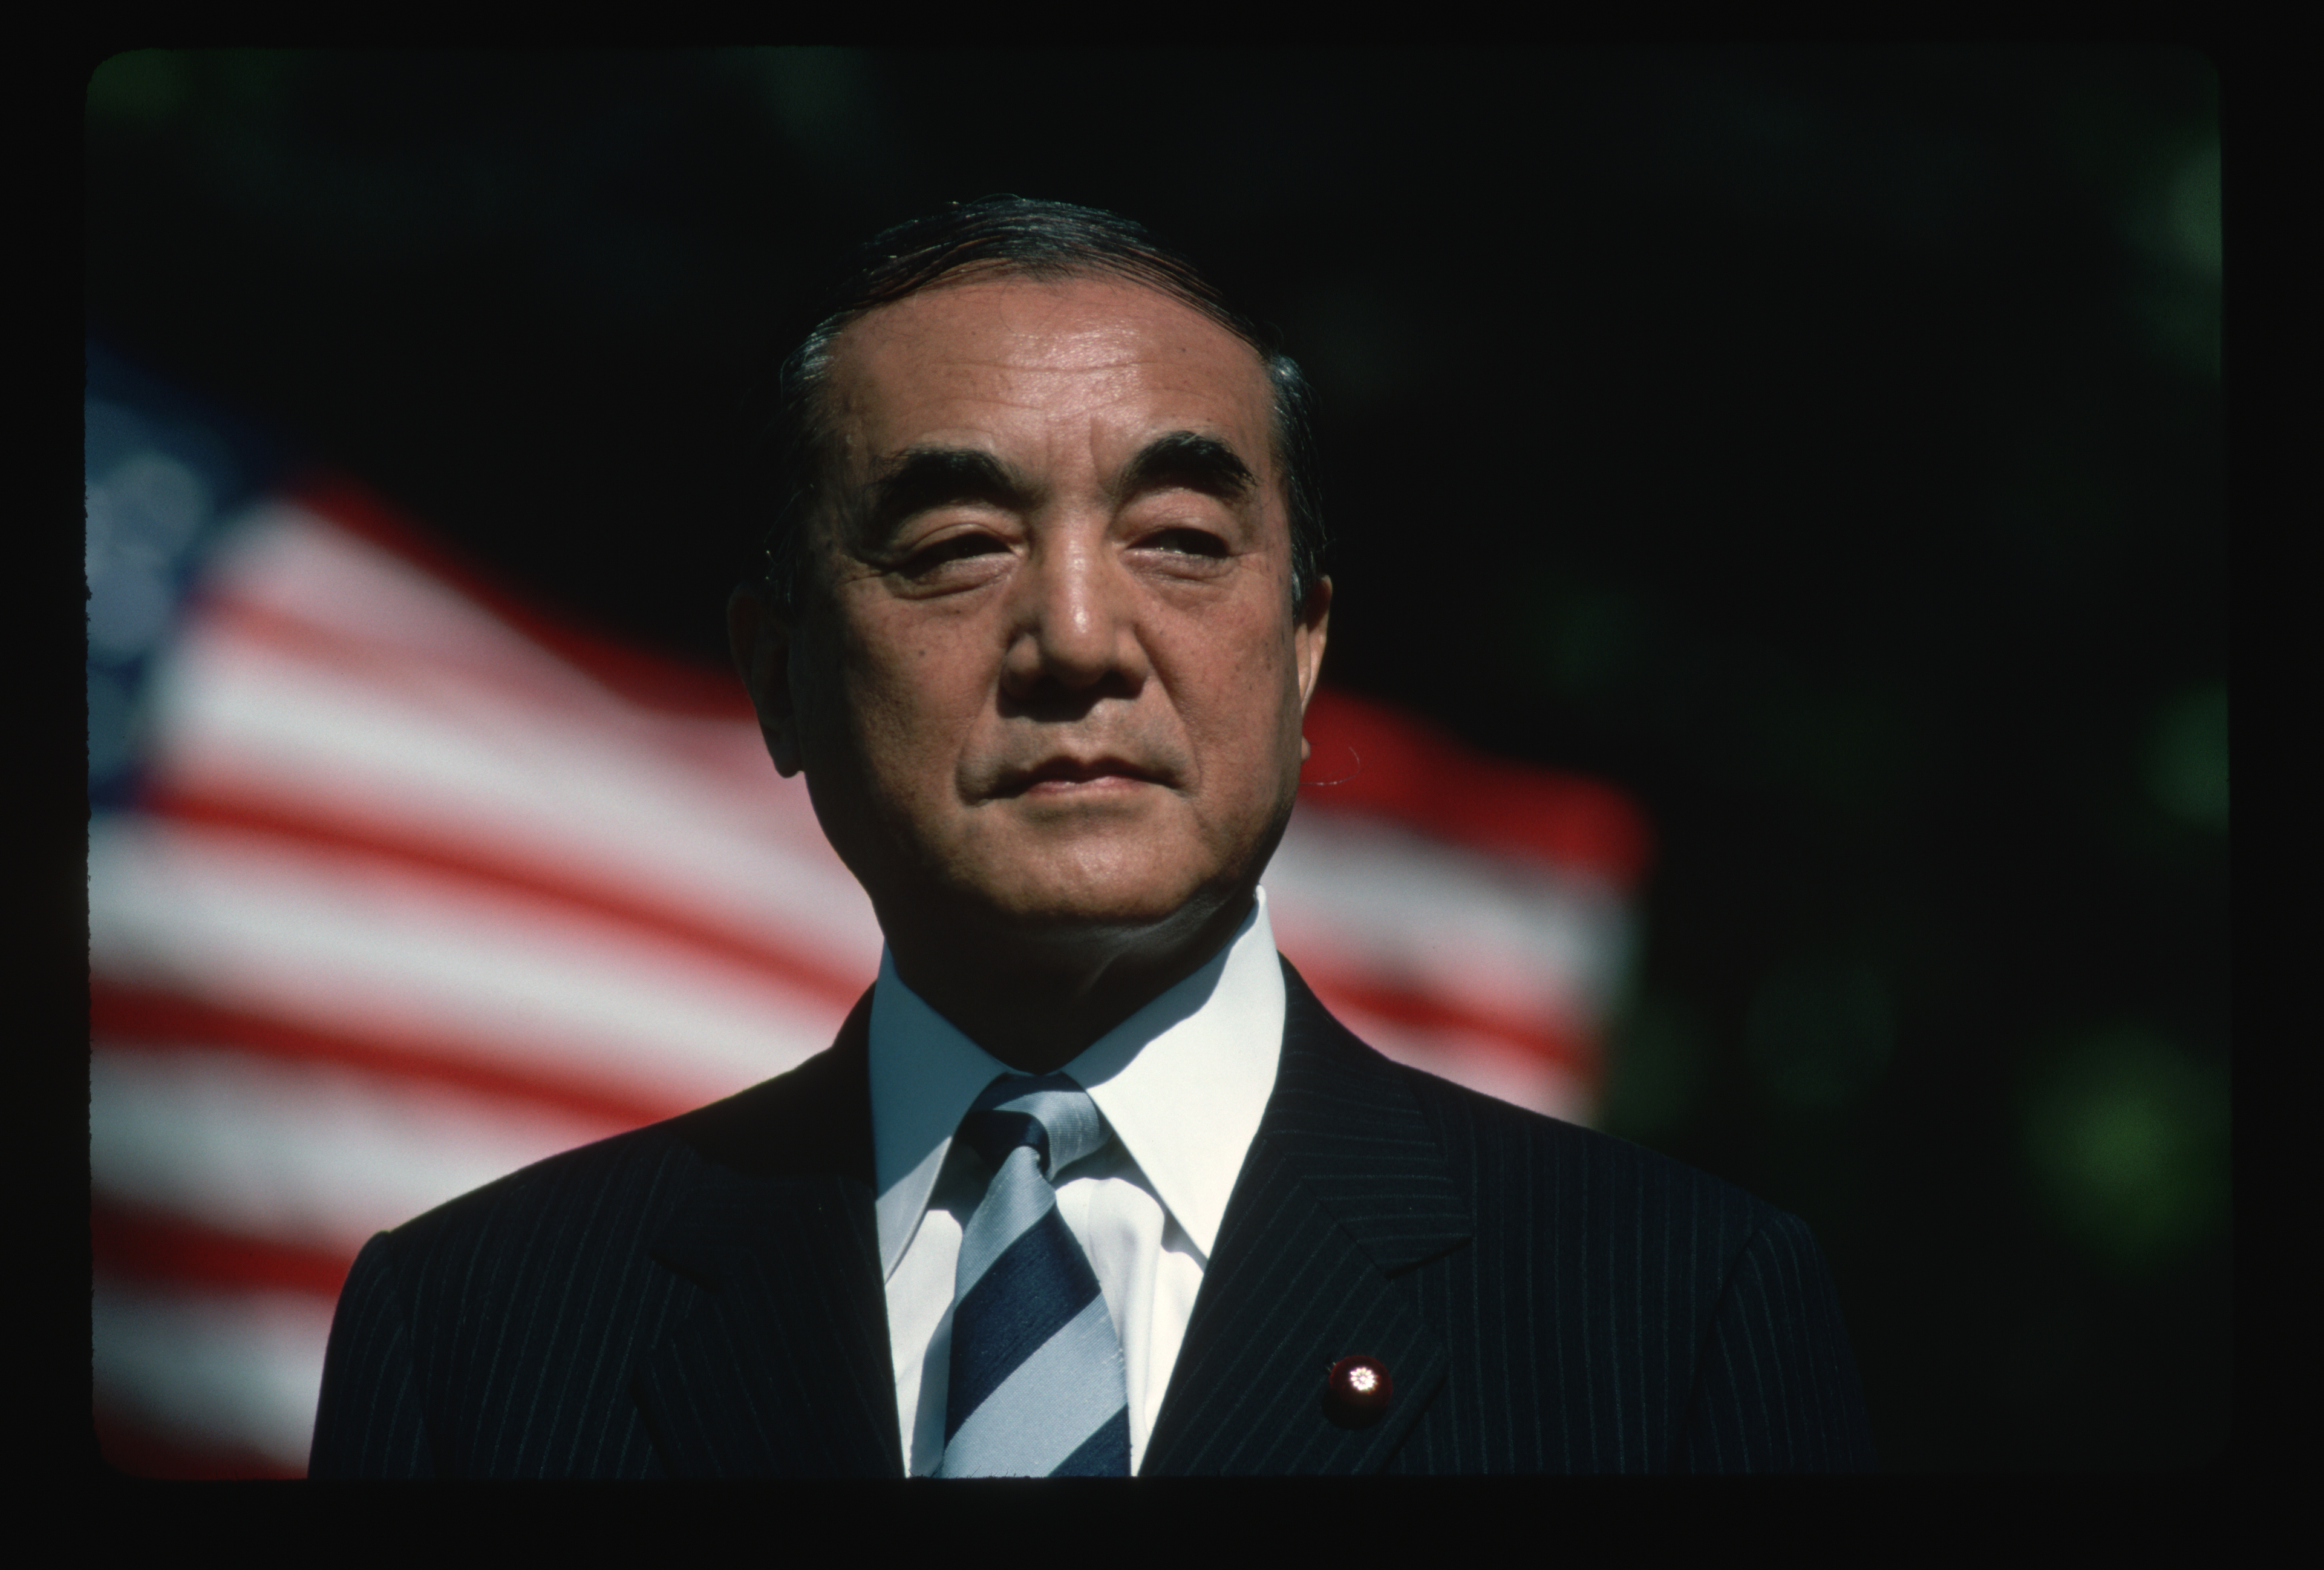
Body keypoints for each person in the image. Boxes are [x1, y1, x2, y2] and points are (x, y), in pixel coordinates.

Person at [308, 196, 1875, 1477]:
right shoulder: (476, 1336)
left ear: (1304, 650)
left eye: (1180, 541)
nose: (1075, 637)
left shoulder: (1671, 1312)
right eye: (956, 544)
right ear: (779, 675)